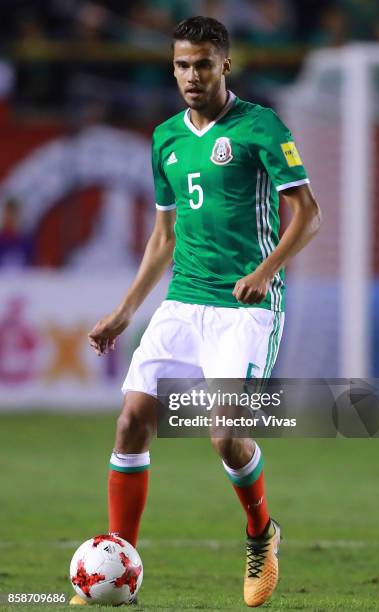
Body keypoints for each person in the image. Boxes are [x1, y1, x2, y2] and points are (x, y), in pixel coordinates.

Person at [71, 16, 321, 608]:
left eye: (202, 64)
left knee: (224, 435)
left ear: (225, 65)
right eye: (182, 64)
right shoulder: (165, 139)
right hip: (183, 300)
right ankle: (118, 561)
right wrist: (125, 310)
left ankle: (262, 534)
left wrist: (264, 273)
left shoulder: (262, 126)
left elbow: (309, 214)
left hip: (246, 307)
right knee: (132, 419)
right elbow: (164, 236)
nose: (190, 75)